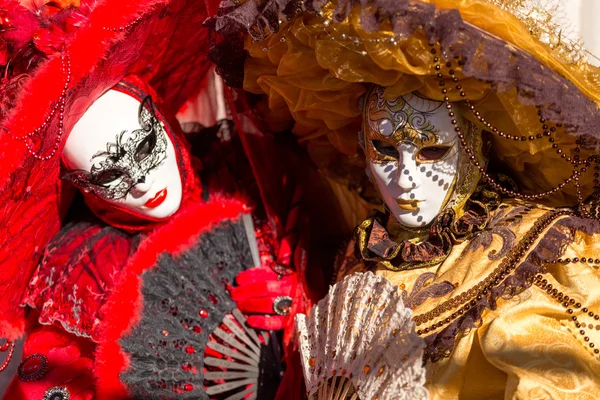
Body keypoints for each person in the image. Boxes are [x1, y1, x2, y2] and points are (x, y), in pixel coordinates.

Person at [209, 0, 600, 397]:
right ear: (362, 145)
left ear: (474, 147)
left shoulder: (539, 253)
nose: (405, 178)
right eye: (384, 150)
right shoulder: (358, 257)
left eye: (432, 151)